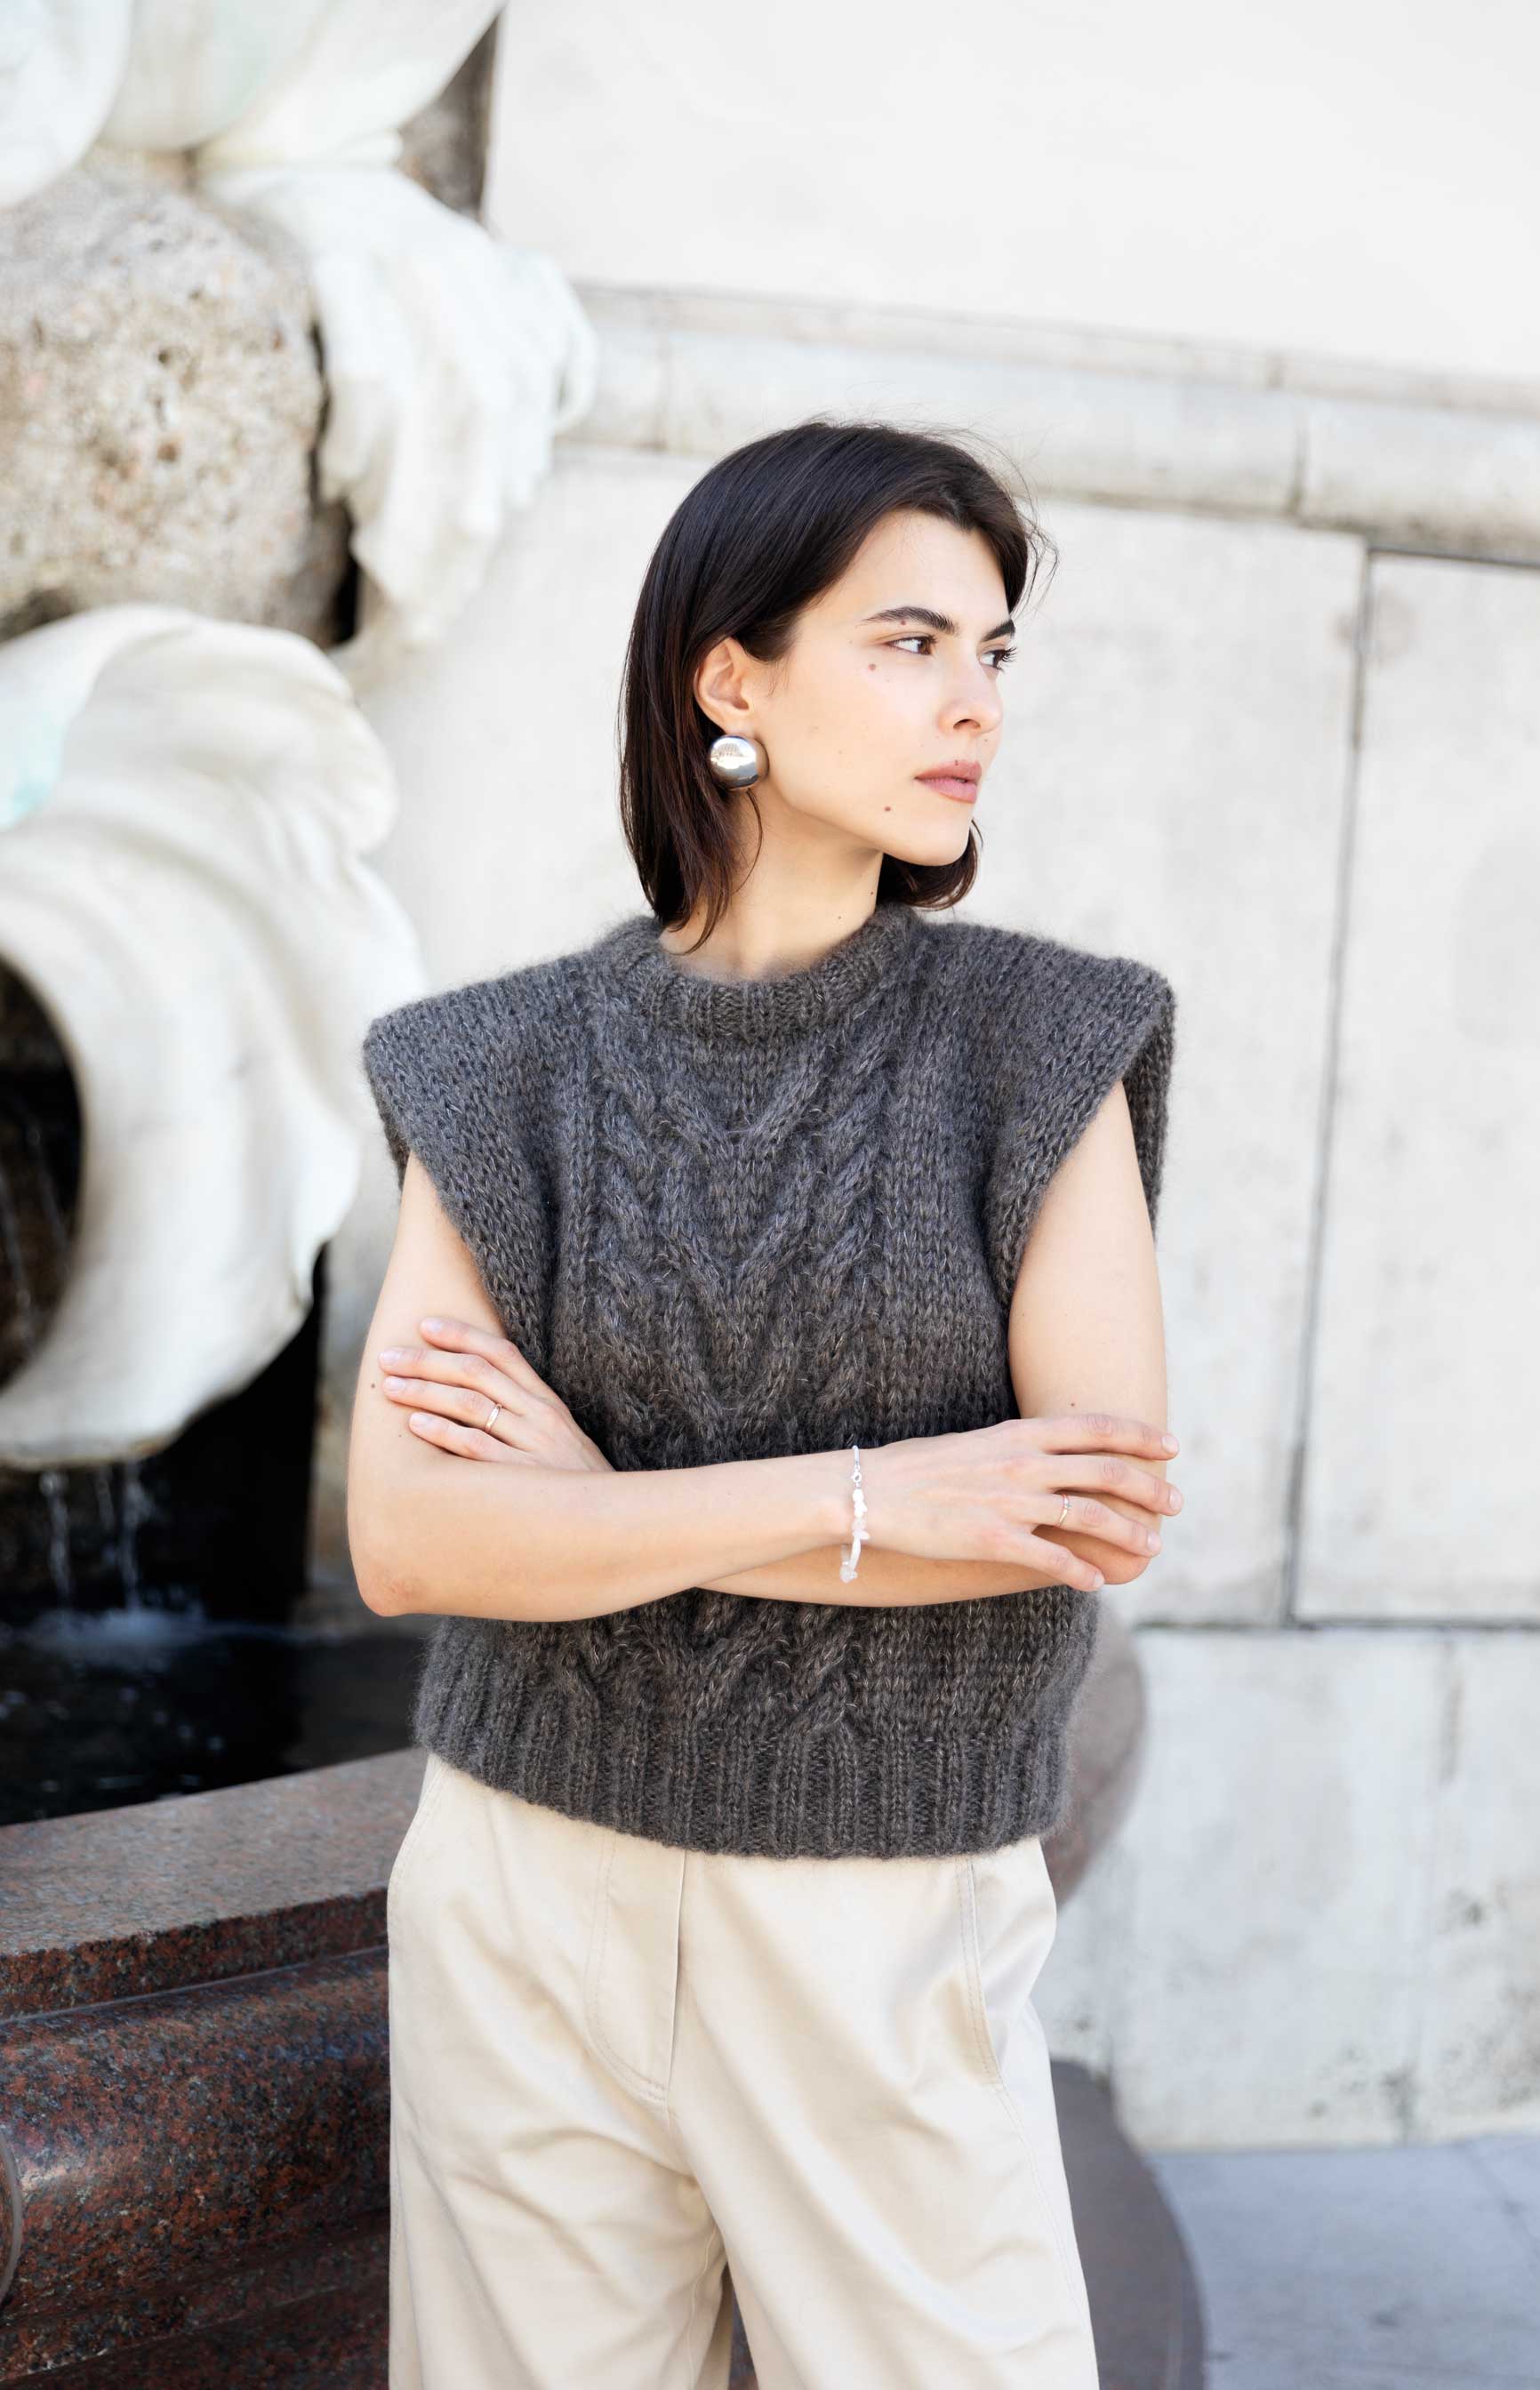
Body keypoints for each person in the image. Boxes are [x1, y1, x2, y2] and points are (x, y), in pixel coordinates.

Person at [348, 416, 1181, 2389]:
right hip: (520, 1889)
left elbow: (1080, 1515)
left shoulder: (1041, 1046)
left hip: (879, 1921)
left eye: (991, 655)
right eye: (907, 643)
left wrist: (595, 1504)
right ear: (731, 676)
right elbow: (413, 1541)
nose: (968, 703)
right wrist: (890, 1491)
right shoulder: (495, 1069)